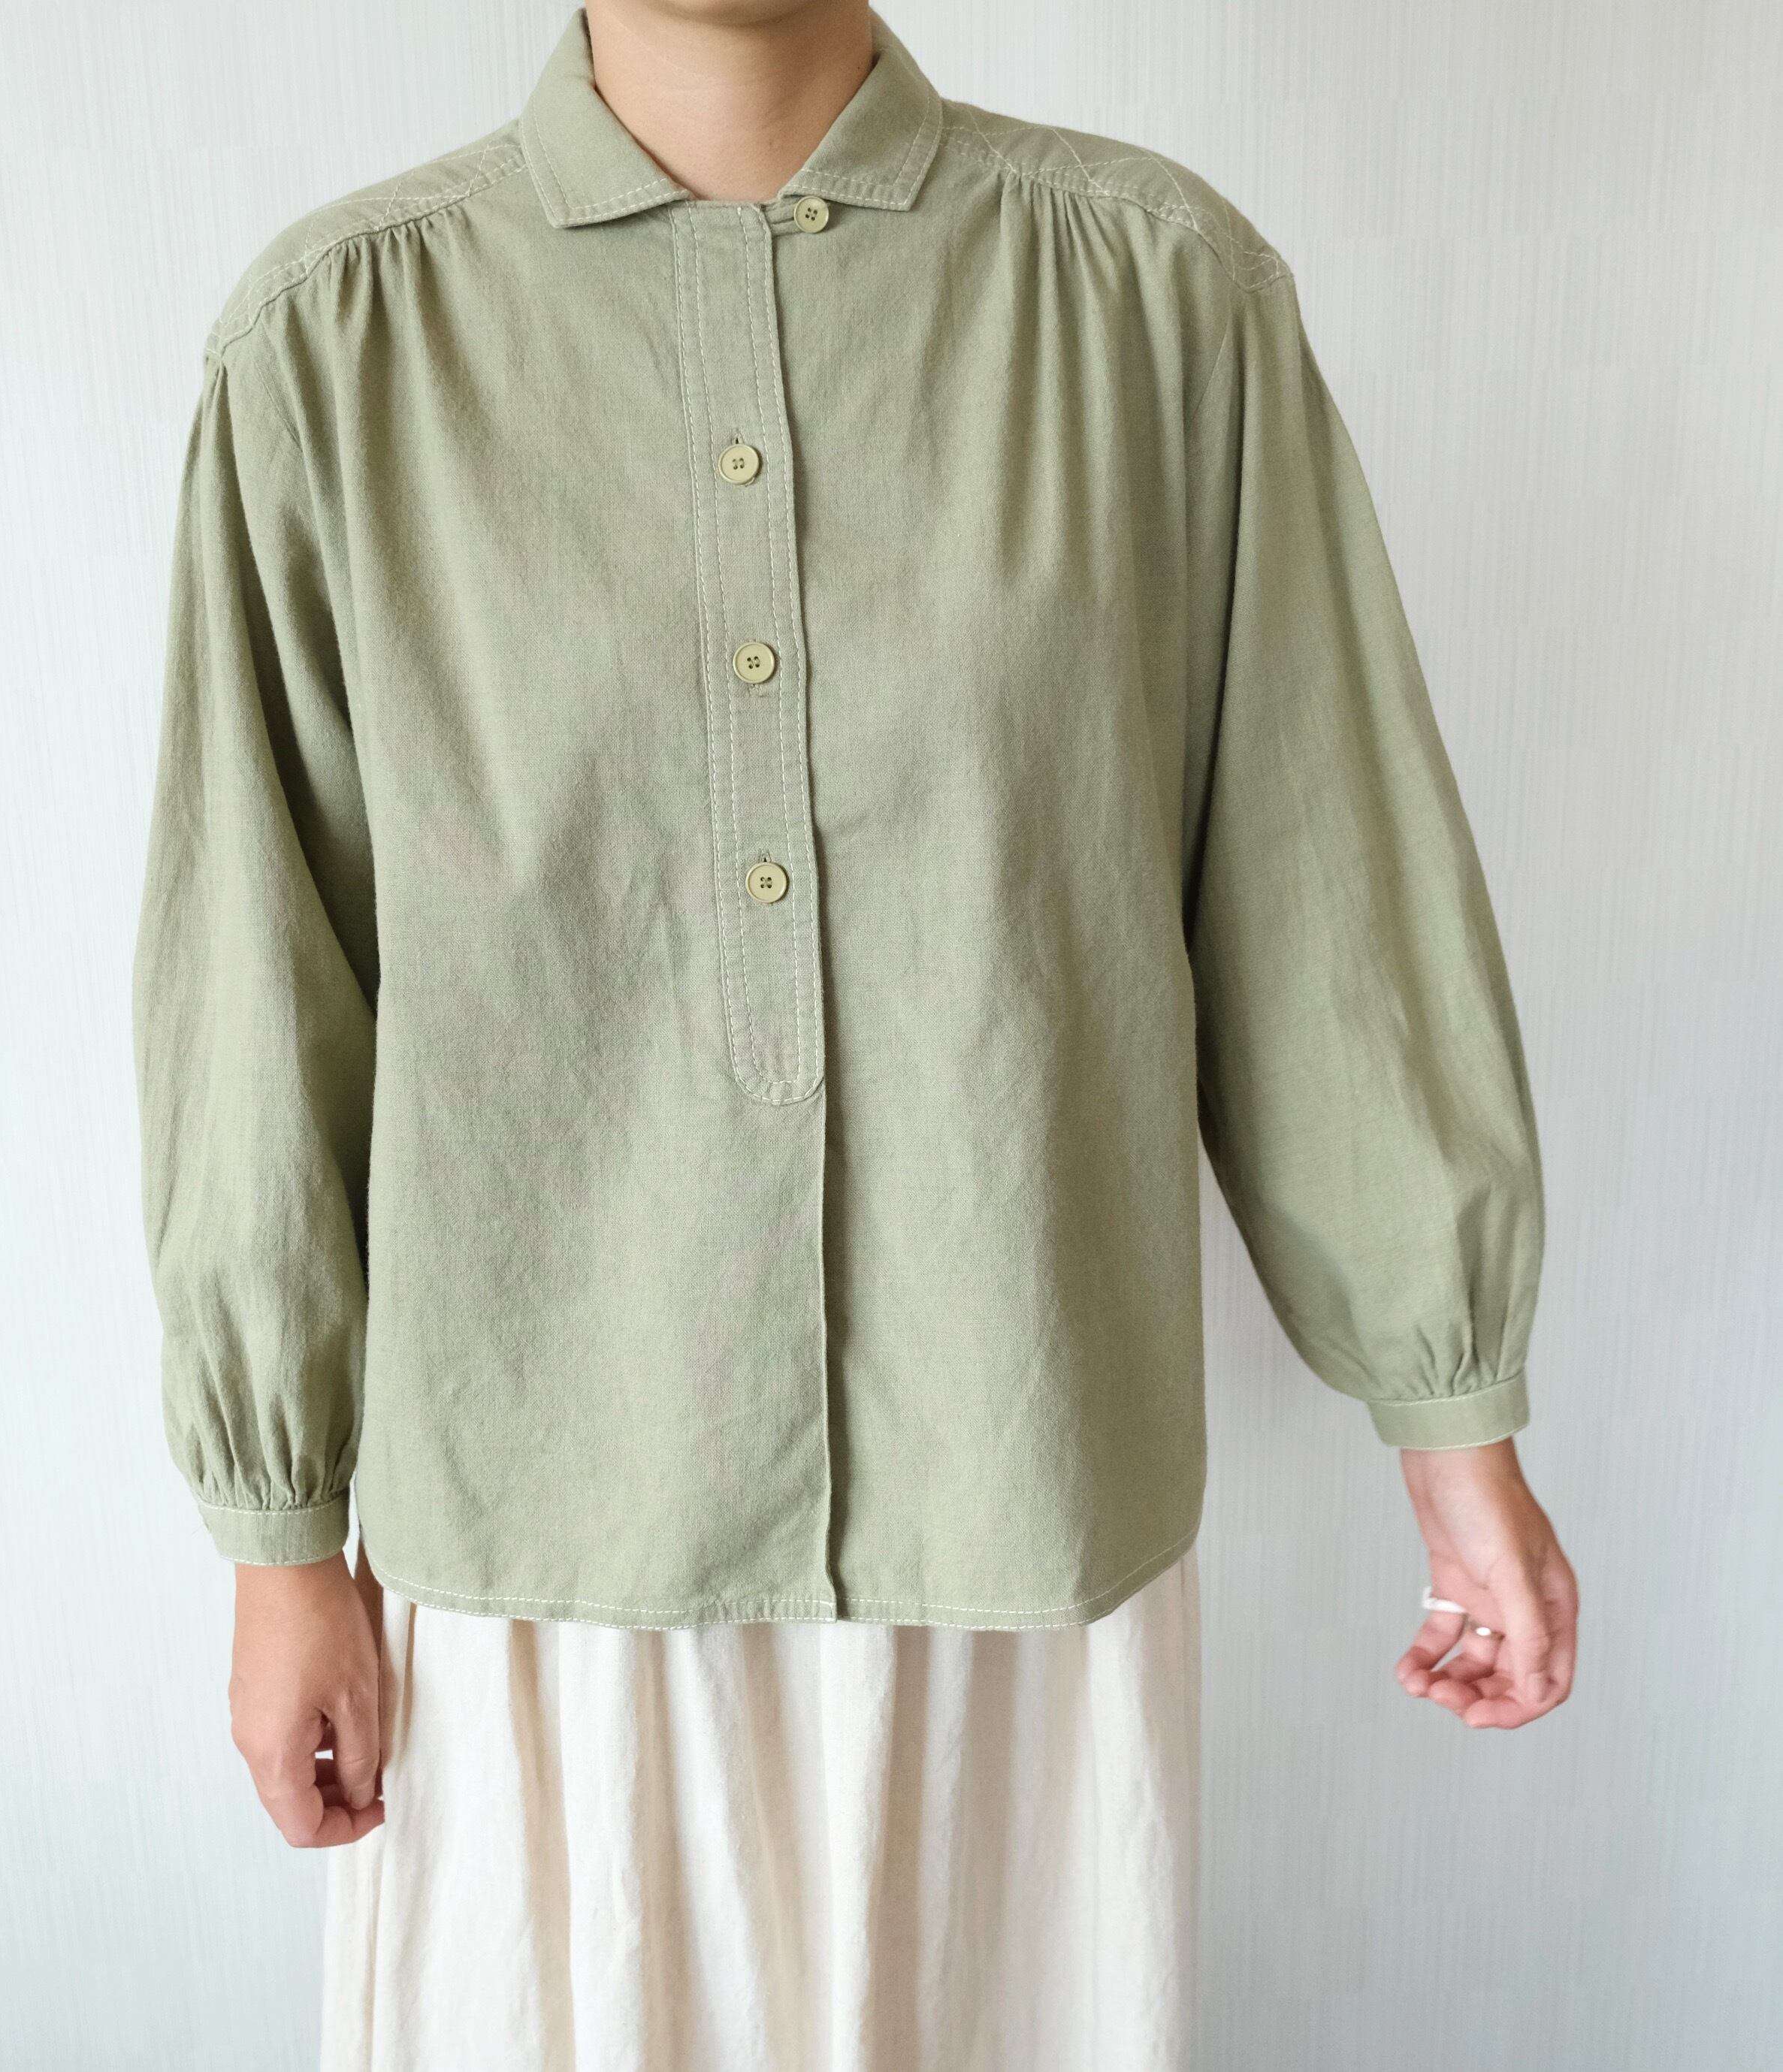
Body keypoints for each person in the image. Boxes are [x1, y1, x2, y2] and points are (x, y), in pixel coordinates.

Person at [131, 4, 1579, 2065]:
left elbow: (1318, 878)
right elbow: (256, 992)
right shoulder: (337, 348)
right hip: (544, 1561)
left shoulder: (1155, 301)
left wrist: (1455, 1428)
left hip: (1021, 1527)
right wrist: (281, 1546)